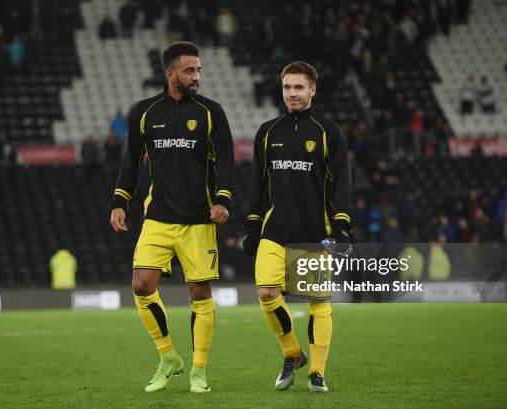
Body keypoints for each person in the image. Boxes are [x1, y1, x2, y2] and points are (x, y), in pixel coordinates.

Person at [109, 42, 234, 393]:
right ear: (170, 74)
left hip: (198, 219)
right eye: (189, 70)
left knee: (199, 291)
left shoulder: (211, 112)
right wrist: (120, 201)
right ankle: (168, 356)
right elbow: (131, 161)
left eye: (198, 70)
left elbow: (226, 159)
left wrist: (223, 199)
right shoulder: (146, 111)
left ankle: (198, 370)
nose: (196, 77)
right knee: (141, 285)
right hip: (158, 217)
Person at [243, 61, 352, 393]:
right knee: (266, 293)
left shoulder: (327, 131)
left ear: (313, 89)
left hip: (312, 233)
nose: (292, 93)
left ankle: (316, 372)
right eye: (287, 87)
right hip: (274, 231)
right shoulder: (267, 131)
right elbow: (257, 185)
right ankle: (292, 353)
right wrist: (251, 224)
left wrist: (342, 225)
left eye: (299, 87)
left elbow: (341, 183)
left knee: (318, 303)